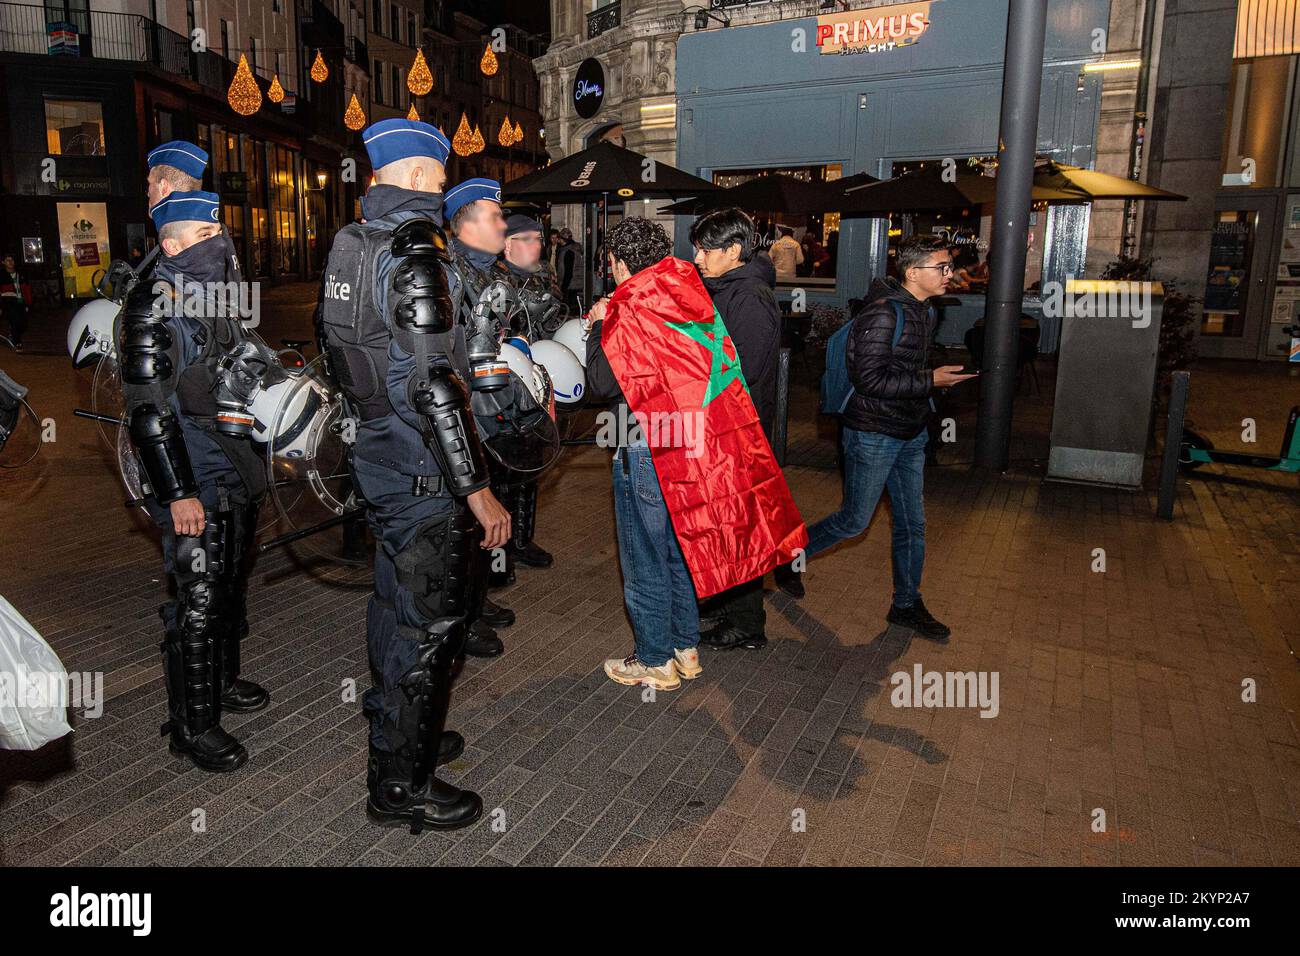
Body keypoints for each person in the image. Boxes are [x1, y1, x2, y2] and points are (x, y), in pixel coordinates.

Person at [316, 119, 512, 831]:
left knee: (393, 609)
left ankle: (403, 732)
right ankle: (402, 786)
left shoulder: (350, 243)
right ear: (425, 177)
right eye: (440, 172)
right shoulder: (414, 253)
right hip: (423, 472)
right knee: (431, 629)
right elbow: (435, 385)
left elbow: (337, 352)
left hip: (377, 455)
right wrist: (477, 487)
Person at [118, 190, 275, 773]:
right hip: (191, 477)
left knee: (230, 582)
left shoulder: (215, 296)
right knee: (199, 602)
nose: (219, 244)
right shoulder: (149, 307)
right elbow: (148, 415)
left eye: (219, 233)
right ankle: (192, 724)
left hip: (232, 464)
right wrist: (178, 492)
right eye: (205, 237)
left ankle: (223, 679)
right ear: (170, 245)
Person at [778, 235, 976, 642]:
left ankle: (906, 604)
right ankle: (787, 557)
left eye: (948, 266)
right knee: (854, 521)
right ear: (912, 272)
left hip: (910, 430)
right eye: (940, 267)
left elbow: (901, 367)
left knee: (912, 523)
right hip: (872, 434)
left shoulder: (925, 311)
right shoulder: (883, 315)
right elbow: (868, 379)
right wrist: (929, 379)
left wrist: (932, 382)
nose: (949, 274)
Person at [584, 218, 701, 691]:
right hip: (687, 436)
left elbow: (602, 383)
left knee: (643, 553)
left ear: (618, 262)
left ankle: (654, 659)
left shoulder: (628, 307)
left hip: (644, 440)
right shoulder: (683, 295)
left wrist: (596, 327)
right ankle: (684, 647)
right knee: (678, 546)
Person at [689, 208, 782, 652]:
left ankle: (746, 623)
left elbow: (744, 368)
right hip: (724, 426)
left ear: (734, 251)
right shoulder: (726, 287)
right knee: (725, 524)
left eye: (707, 249)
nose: (698, 257)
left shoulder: (749, 297)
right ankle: (728, 606)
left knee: (741, 527)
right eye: (697, 248)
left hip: (739, 430)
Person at [491, 213, 561, 577]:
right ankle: (497, 553)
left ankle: (521, 539)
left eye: (539, 238)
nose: (539, 245)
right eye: (530, 239)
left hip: (538, 381)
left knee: (532, 462)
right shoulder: (494, 281)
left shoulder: (543, 276)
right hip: (505, 386)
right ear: (508, 245)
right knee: (502, 468)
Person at [0, 255, 30, 351]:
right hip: (8, 302)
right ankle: (18, 342)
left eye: (11, 260)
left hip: (21, 302)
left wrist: (28, 303)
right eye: (7, 260)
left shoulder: (20, 274)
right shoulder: (1, 276)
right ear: (3, 262)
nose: (10, 262)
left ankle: (14, 334)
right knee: (15, 320)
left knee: (24, 324)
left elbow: (26, 290)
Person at [556, 227, 585, 313]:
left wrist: (563, 287)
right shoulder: (576, 249)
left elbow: (568, 272)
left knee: (569, 311)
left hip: (571, 285)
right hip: (578, 283)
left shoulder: (568, 252)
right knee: (576, 309)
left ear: (562, 239)